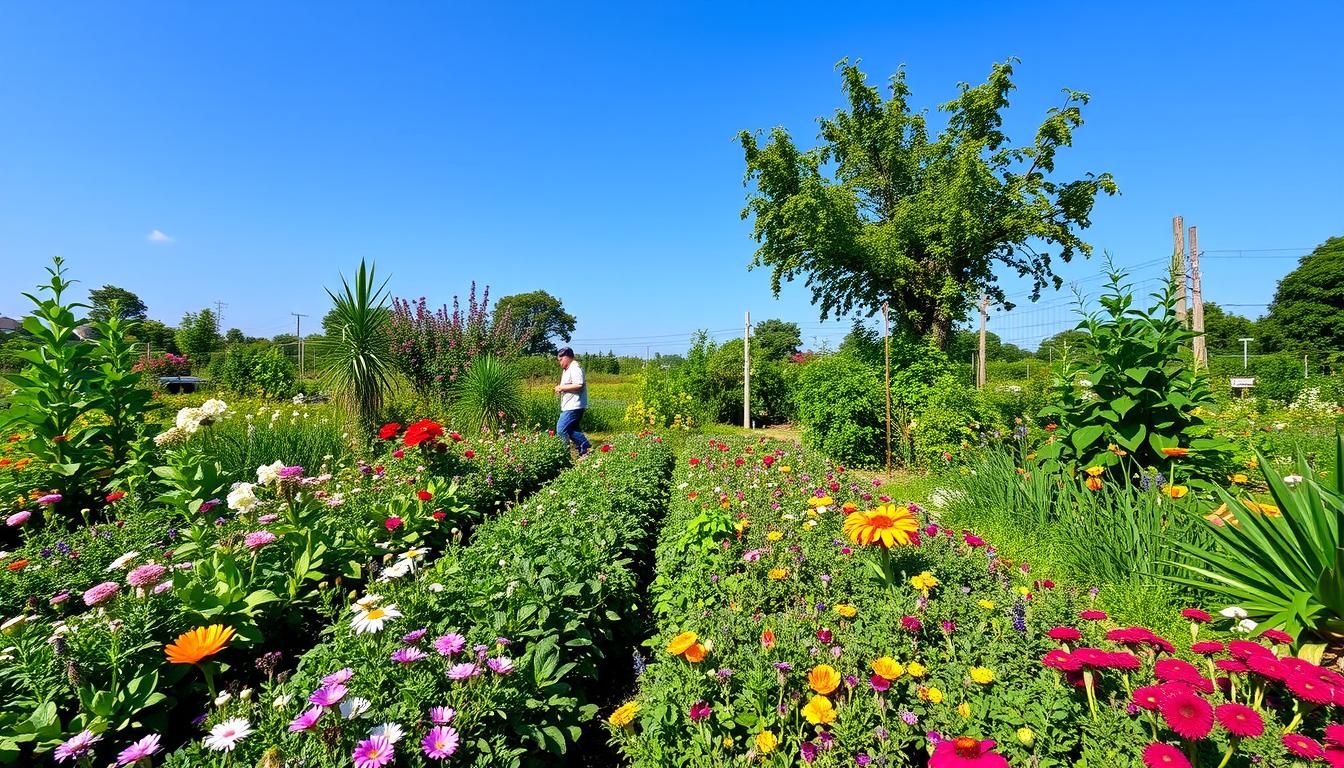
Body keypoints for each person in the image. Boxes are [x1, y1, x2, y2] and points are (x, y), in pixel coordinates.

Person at [554, 347, 591, 457]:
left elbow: (579, 385)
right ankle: (586, 450)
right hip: (569, 405)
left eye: (560, 360)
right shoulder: (568, 369)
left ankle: (563, 456)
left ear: (566, 357)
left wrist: (561, 388)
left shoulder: (575, 368)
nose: (560, 363)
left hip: (574, 405)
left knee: (561, 429)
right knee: (572, 431)